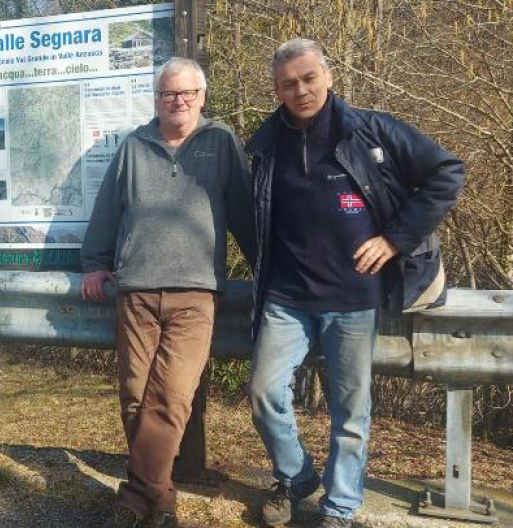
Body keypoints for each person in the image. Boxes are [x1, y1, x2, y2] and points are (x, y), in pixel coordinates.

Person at [245, 39, 465, 527]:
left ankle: (340, 507)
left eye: (308, 78)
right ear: (276, 90)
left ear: (328, 75)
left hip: (354, 298)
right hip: (286, 297)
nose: (300, 89)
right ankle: (297, 476)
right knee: (263, 392)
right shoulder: (265, 144)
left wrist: (395, 239)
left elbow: (446, 173)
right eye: (288, 83)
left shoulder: (372, 130)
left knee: (350, 414)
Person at [81, 57, 255, 528]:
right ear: (156, 99)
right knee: (135, 396)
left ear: (201, 97)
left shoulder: (220, 143)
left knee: (172, 397)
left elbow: (243, 211)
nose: (177, 101)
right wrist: (96, 263)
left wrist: (267, 269)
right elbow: (107, 210)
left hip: (196, 294)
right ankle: (163, 500)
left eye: (187, 94)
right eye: (168, 94)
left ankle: (138, 495)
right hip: (135, 289)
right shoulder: (134, 147)